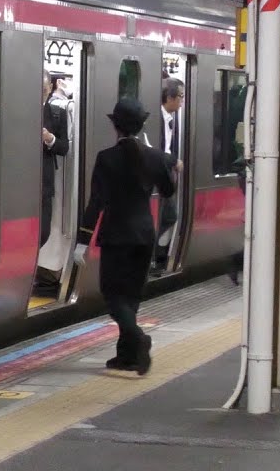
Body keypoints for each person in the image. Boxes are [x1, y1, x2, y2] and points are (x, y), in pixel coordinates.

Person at [74, 98, 175, 375]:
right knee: (131, 296)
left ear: (115, 126)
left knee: (112, 295)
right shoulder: (154, 156)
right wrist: (165, 162)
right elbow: (168, 191)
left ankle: (138, 340)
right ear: (141, 125)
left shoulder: (106, 158)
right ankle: (127, 355)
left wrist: (82, 241)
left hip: (116, 235)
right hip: (144, 234)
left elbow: (96, 203)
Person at [36, 72, 70, 296]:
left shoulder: (57, 113)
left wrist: (50, 139)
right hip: (17, 182)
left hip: (44, 181)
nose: (42, 93)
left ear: (50, 88)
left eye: (44, 88)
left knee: (43, 232)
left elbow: (64, 147)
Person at [150, 78, 185, 273]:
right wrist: (173, 161)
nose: (182, 102)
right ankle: (154, 258)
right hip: (155, 175)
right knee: (160, 217)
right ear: (169, 98)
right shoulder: (154, 118)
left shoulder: (174, 119)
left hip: (166, 176)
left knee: (169, 216)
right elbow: (154, 150)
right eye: (180, 97)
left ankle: (158, 255)